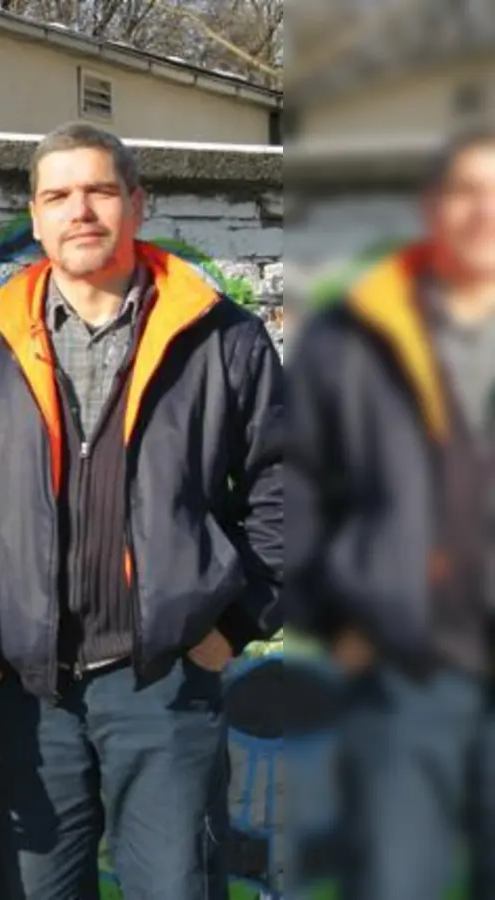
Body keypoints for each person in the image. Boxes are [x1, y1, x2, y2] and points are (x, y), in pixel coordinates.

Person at [0, 121, 284, 900]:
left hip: (164, 681)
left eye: (99, 191)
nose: (79, 211)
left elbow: (286, 489)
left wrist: (236, 623)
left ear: (136, 204)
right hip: (22, 690)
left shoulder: (220, 338)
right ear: (35, 217)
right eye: (57, 196)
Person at [286, 127, 495, 900]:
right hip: (405, 676)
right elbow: (297, 481)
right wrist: (335, 619)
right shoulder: (357, 333)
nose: (484, 210)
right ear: (433, 205)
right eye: (466, 191)